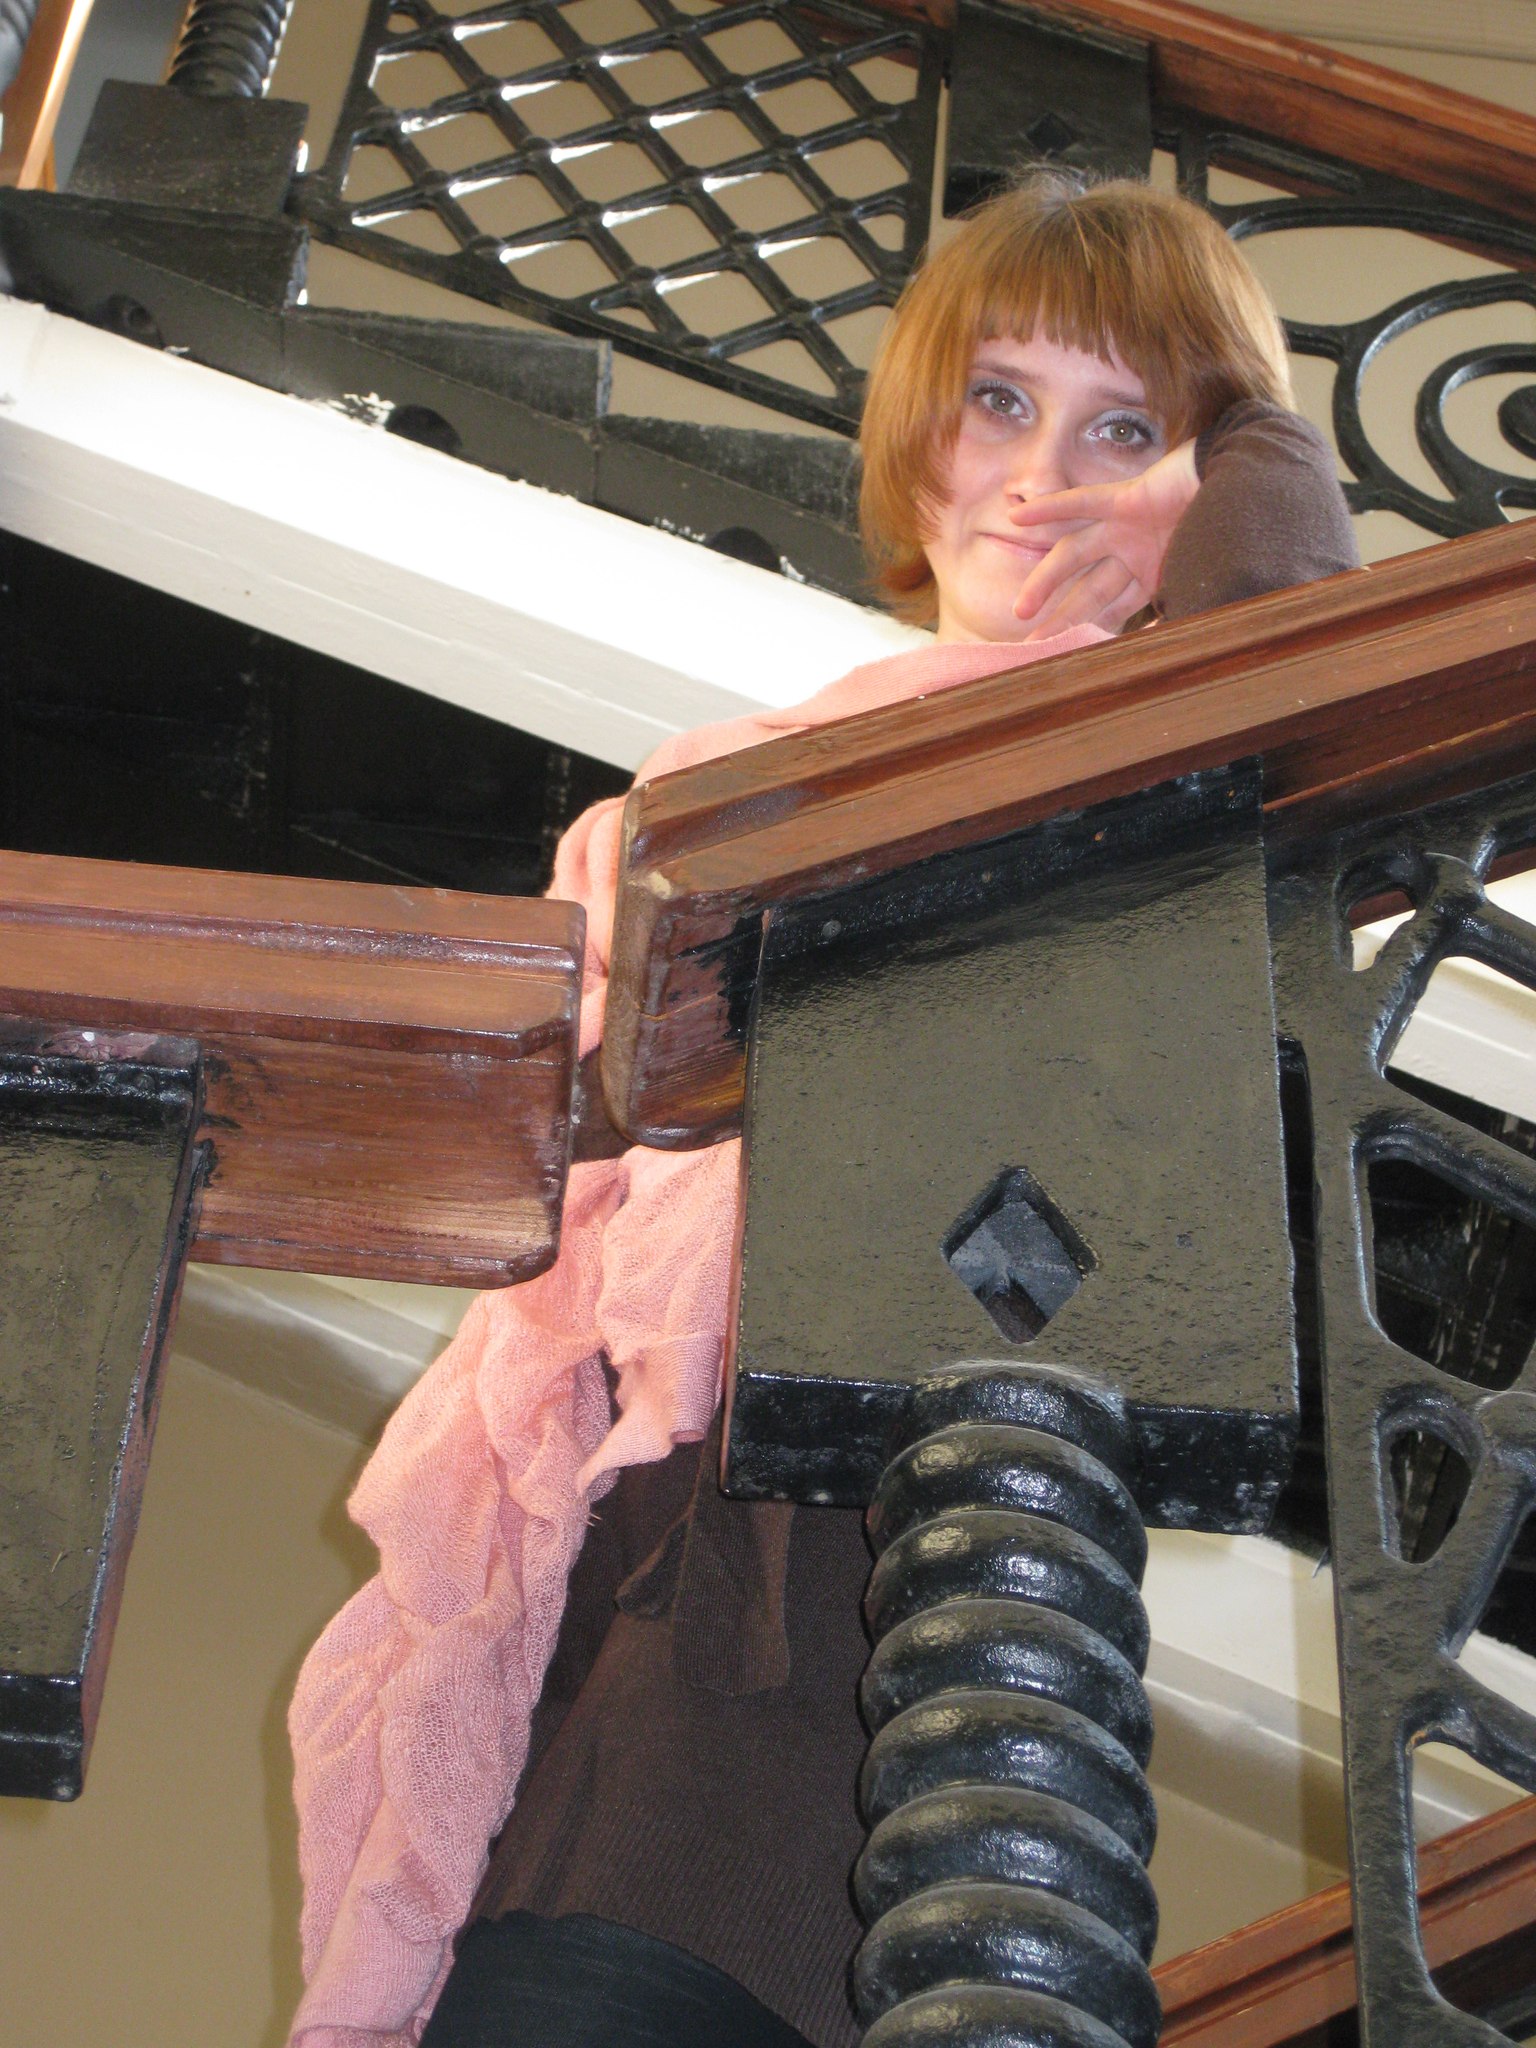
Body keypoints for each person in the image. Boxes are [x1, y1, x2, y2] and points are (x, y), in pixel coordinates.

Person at [286, 171, 1358, 2048]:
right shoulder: (717, 798)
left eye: (1127, 432)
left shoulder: (1156, 766)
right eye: (998, 402)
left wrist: (1249, 430)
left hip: (860, 1554)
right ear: (919, 438)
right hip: (626, 1541)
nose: (1043, 480)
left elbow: (1292, 639)